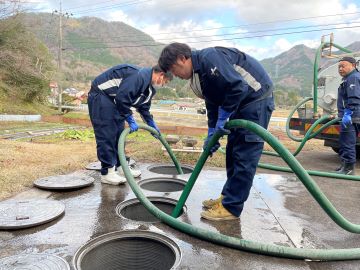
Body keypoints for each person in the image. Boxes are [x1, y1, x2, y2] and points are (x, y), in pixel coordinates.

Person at [158, 43, 274, 221]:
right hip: (241, 104)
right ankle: (227, 197)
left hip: (256, 100)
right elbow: (212, 102)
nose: (176, 76)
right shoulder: (201, 74)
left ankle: (231, 208)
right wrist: (212, 130)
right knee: (233, 152)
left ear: (183, 58)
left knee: (244, 154)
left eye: (174, 69)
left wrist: (223, 117)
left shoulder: (210, 58)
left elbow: (238, 87)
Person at [88, 64, 173, 185]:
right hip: (101, 96)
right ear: (161, 75)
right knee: (107, 135)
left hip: (114, 101)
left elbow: (143, 108)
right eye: (165, 81)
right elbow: (122, 98)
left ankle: (121, 167)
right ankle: (107, 173)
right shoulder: (138, 76)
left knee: (118, 135)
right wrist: (130, 118)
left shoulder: (149, 88)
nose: (163, 85)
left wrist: (151, 124)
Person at [335, 56, 360, 175]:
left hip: (351, 116)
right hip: (350, 115)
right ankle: (345, 165)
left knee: (347, 142)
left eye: (343, 66)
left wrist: (348, 114)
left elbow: (354, 98)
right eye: (339, 67)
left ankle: (349, 169)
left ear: (353, 65)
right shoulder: (348, 78)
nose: (340, 69)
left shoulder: (353, 78)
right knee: (345, 141)